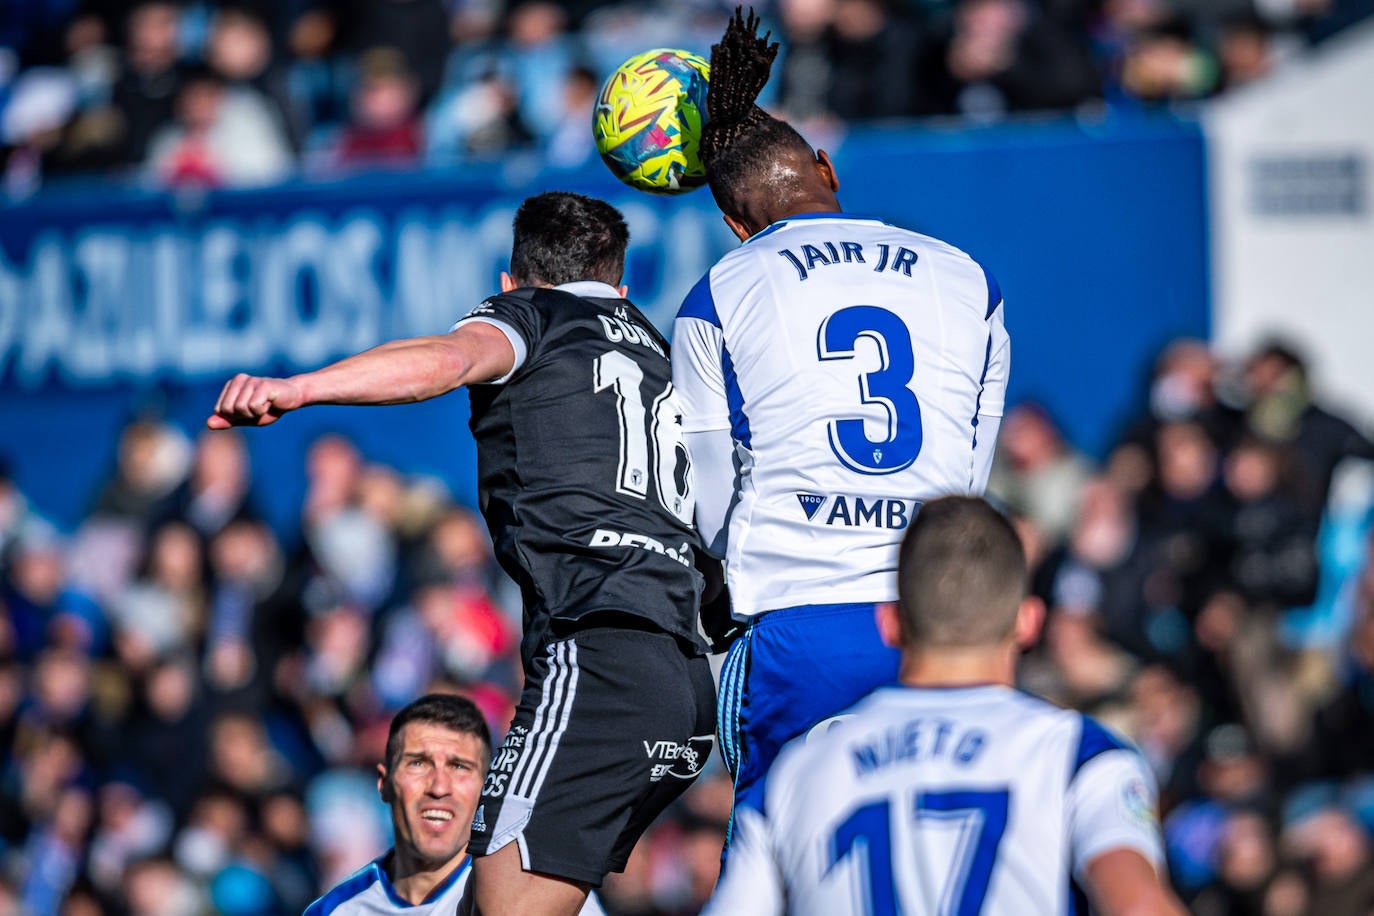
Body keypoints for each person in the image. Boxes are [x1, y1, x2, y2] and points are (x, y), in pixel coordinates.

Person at [208, 191, 716, 916]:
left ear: (511, 282)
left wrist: (298, 388)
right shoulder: (658, 351)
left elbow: (446, 360)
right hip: (686, 678)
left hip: (598, 659)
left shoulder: (534, 315)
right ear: (621, 288)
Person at [673, 9, 1010, 822]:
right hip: (935, 616)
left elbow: (711, 489)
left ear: (733, 223)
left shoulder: (720, 290)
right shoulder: (968, 279)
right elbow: (973, 470)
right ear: (826, 166)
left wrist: (715, 591)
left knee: (780, 855)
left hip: (799, 622)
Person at [703, 497, 1188, 915]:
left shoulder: (797, 772)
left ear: (891, 623)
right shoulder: (1080, 755)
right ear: (1028, 623)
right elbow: (1137, 905)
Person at [304, 693, 605, 914]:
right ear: (385, 784)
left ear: (488, 789)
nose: (439, 787)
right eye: (418, 763)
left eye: (459, 766)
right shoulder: (336, 910)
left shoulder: (539, 897)